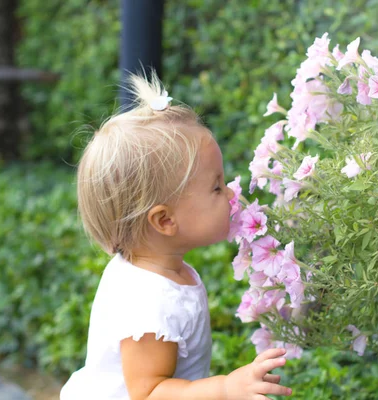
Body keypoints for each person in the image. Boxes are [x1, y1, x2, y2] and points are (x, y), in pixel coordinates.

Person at [60, 72, 292, 400]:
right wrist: (226, 388)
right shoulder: (150, 302)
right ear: (165, 220)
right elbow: (149, 392)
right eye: (216, 187)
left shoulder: (157, 271)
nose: (230, 194)